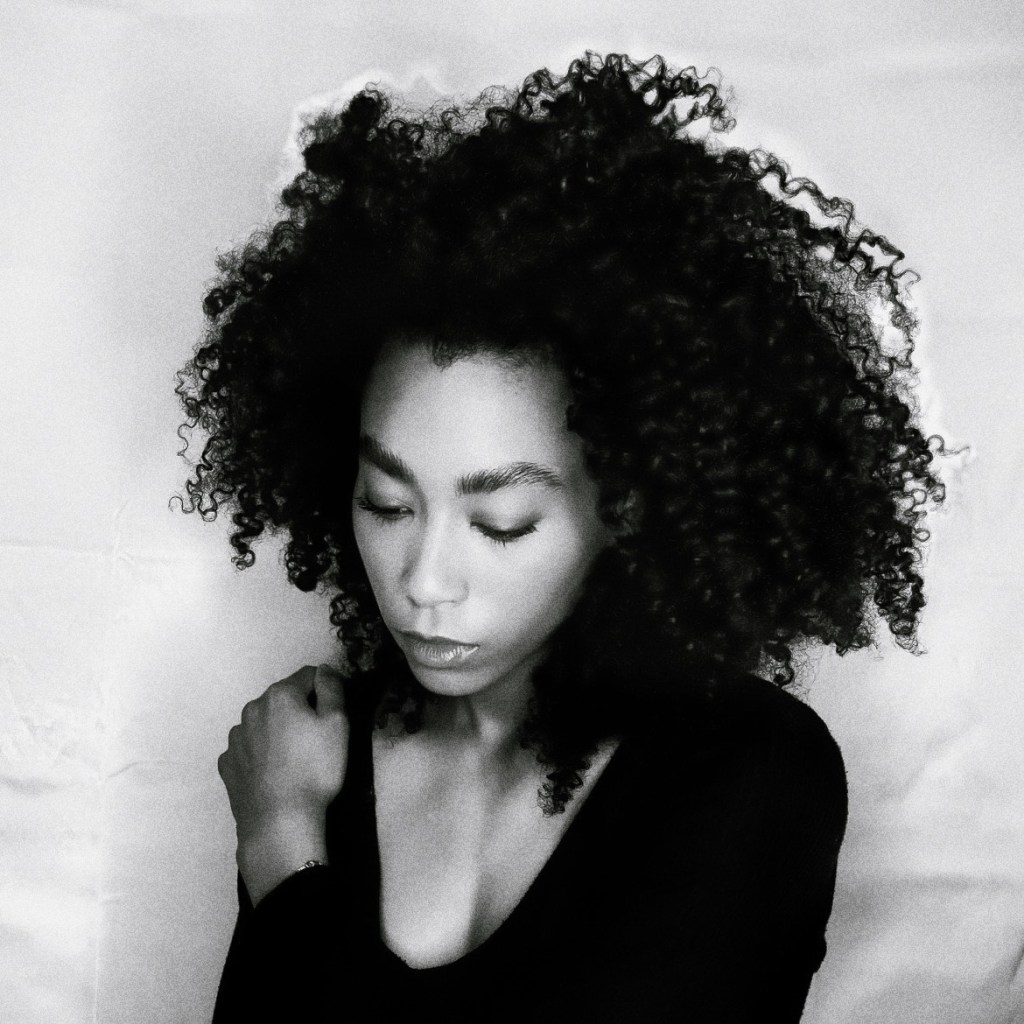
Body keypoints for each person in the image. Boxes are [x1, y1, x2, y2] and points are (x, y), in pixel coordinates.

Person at [175, 51, 951, 1022]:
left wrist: (281, 844)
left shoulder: (752, 770)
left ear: (630, 506)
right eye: (387, 503)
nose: (424, 581)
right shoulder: (320, 748)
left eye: (500, 522)